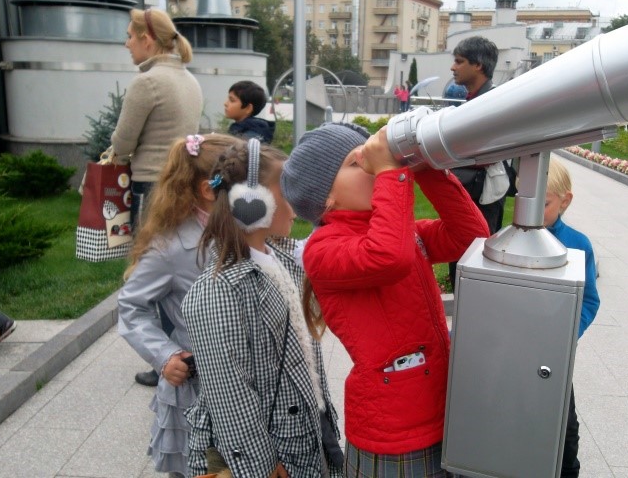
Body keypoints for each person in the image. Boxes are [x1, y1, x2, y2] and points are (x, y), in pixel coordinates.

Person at [280, 123, 489, 476]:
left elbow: (471, 237)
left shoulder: (398, 230)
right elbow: (388, 257)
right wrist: (392, 174)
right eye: (354, 162)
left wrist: (428, 170)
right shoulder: (324, 248)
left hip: (440, 406)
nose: (370, 161)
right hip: (394, 430)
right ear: (326, 199)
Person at [181, 139, 342, 478]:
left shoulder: (280, 256)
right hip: (266, 454)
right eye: (287, 191)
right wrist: (263, 466)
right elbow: (231, 396)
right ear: (253, 203)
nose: (296, 204)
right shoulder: (219, 291)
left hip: (308, 429)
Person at [117, 133, 243, 478]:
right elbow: (131, 306)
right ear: (208, 190)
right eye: (246, 185)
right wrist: (165, 355)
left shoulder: (244, 229)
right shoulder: (172, 248)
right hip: (199, 387)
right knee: (200, 466)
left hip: (246, 381)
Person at [111, 7, 203, 231]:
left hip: (151, 185)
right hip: (183, 182)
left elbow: (122, 143)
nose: (127, 44)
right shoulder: (190, 80)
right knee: (174, 255)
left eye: (130, 36)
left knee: (145, 258)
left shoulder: (147, 82)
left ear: (147, 39)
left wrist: (119, 153)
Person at [544, 157, 601, 478]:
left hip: (555, 356)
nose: (534, 210)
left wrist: (566, 336)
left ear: (565, 201)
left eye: (545, 203)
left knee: (565, 429)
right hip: (515, 354)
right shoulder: (509, 239)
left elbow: (589, 300)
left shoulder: (578, 246)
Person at [447, 35, 517, 290]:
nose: (453, 67)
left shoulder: (494, 102)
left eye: (459, 61)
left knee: (473, 262)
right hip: (471, 192)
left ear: (478, 65)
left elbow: (491, 149)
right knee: (460, 258)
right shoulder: (476, 99)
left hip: (484, 197)